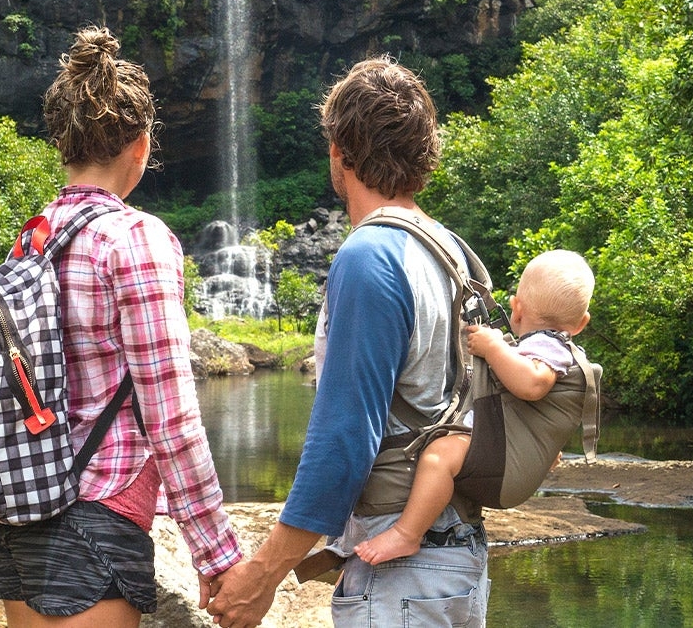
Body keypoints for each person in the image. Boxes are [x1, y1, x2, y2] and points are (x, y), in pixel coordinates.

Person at [208, 57, 487, 628]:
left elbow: (343, 441)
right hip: (455, 554)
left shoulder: (370, 256)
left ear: (340, 151)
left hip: (403, 568)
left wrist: (262, 575)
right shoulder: (453, 251)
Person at [0, 26, 240, 627]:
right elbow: (169, 412)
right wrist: (216, 548)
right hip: (97, 509)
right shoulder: (137, 239)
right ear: (142, 146)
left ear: (63, 146)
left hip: (19, 511)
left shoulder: (31, 238)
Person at [353, 249, 595, 565]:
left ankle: (406, 535)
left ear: (516, 309)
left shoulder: (546, 346)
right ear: (581, 323)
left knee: (439, 458)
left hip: (505, 468)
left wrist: (494, 347)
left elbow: (533, 385)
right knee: (445, 456)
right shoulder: (555, 347)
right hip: (506, 461)